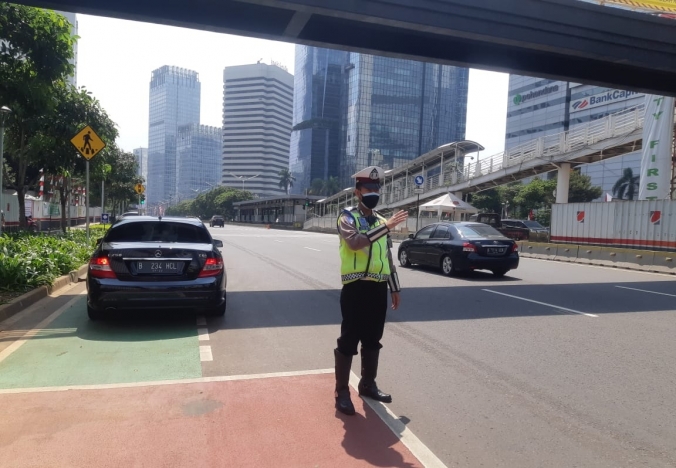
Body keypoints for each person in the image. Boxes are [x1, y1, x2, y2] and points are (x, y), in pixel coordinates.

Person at [333, 165, 409, 415]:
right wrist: (386, 227)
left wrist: (394, 287)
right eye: (369, 188)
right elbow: (354, 243)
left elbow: (387, 256)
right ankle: (342, 392)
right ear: (357, 192)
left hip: (377, 288)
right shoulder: (347, 217)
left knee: (373, 339)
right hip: (355, 288)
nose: (374, 193)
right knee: (349, 339)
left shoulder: (379, 220)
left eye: (377, 189)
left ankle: (368, 384)